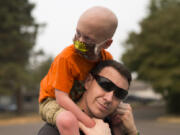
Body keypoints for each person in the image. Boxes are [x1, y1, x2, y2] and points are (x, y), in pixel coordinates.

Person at [39, 6, 118, 135]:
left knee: (119, 112)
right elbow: (61, 99)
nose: (79, 41)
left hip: (80, 100)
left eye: (88, 39)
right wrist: (91, 124)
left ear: (106, 44)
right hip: (52, 100)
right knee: (67, 120)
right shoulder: (67, 58)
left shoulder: (106, 58)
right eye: (78, 33)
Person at [38, 60, 138, 135]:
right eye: (105, 85)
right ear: (88, 81)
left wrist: (132, 131)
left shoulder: (115, 127)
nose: (109, 98)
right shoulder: (53, 131)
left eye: (120, 94)